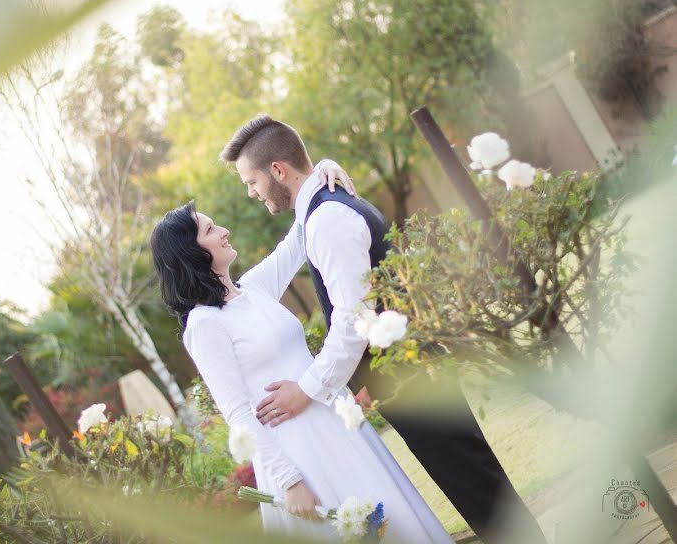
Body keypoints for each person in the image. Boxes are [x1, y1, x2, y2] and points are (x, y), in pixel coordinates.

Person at [219, 114, 547, 544]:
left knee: (479, 489)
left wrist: (307, 388)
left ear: (277, 170)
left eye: (252, 181)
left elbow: (353, 319)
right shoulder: (321, 211)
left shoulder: (327, 220)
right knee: (479, 485)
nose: (252, 192)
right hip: (409, 373)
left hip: (414, 378)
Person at [150, 161, 453, 543]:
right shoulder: (205, 324)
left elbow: (298, 237)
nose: (224, 232)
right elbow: (238, 412)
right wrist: (289, 481)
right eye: (211, 230)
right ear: (189, 252)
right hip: (301, 454)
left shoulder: (252, 289)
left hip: (336, 423)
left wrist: (319, 170)